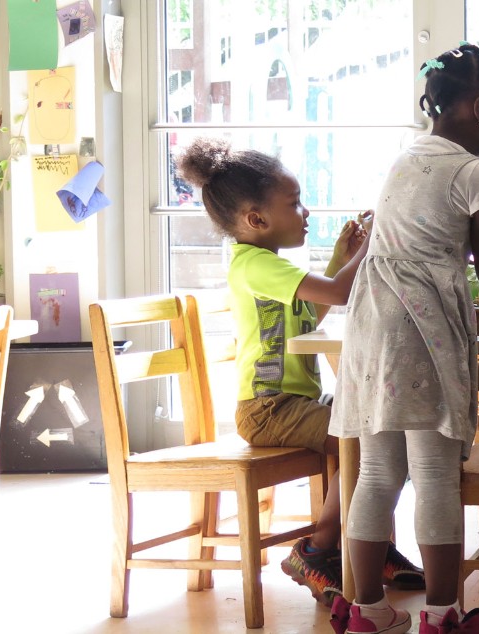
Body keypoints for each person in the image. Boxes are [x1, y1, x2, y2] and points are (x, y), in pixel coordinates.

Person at [327, 43, 479, 634]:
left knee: (378, 472)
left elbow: (436, 230)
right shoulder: (477, 171)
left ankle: (368, 611)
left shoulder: (408, 160)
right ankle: (441, 614)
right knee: (434, 472)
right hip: (422, 332)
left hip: (374, 327)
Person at [176, 138, 426, 608]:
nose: (305, 211)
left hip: (295, 404)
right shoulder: (254, 266)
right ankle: (317, 549)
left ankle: (368, 544)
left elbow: (311, 313)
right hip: (269, 409)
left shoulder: (266, 265)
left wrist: (341, 257)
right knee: (364, 440)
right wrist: (371, 246)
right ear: (256, 219)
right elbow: (339, 293)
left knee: (383, 423)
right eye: (293, 204)